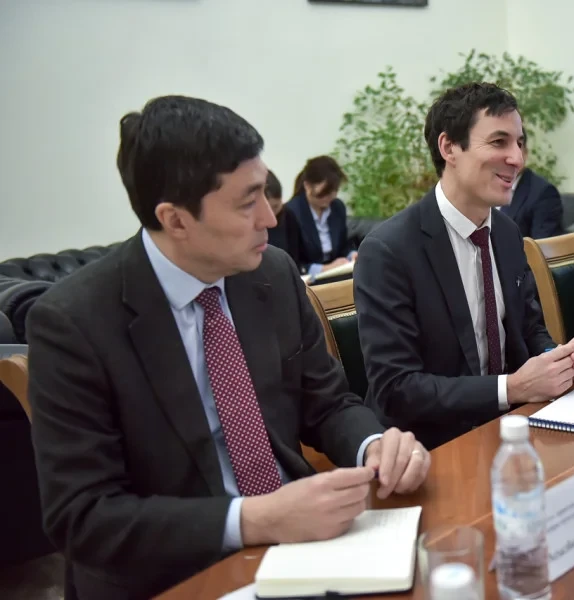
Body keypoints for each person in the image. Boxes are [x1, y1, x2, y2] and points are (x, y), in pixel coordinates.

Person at [26, 95, 429, 599]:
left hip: (302, 545)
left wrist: (375, 445)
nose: (270, 219)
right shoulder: (74, 323)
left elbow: (327, 403)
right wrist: (256, 518)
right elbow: (84, 516)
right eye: (246, 202)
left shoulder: (271, 274)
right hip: (173, 574)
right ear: (175, 220)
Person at [354, 82, 574, 450]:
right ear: (449, 147)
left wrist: (559, 360)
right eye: (499, 142)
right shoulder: (388, 251)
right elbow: (396, 388)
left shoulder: (507, 233)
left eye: (519, 143)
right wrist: (512, 388)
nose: (517, 158)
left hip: (511, 431)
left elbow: (530, 330)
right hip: (428, 447)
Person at [284, 156, 357, 276]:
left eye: (334, 191)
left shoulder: (337, 207)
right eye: (324, 193)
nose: (330, 197)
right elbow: (292, 264)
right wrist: (326, 268)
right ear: (307, 186)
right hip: (310, 280)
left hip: (339, 273)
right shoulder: (291, 213)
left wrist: (351, 254)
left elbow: (344, 245)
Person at [499, 127, 564, 238]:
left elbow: (542, 246)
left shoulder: (544, 193)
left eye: (518, 147)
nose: (509, 157)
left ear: (525, 154)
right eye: (500, 147)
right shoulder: (484, 186)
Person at [264, 169, 303, 265]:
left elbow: (296, 257)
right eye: (267, 208)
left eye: (276, 207)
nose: (271, 215)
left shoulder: (288, 216)